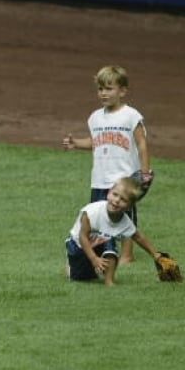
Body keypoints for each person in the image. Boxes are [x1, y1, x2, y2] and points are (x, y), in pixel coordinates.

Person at [62, 64, 152, 263]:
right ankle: (101, 250)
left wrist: (145, 172)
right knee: (98, 215)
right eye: (100, 89)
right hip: (100, 177)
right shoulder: (95, 118)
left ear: (122, 91)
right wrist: (76, 143)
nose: (103, 93)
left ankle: (127, 255)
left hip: (125, 176)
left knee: (125, 215)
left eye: (109, 88)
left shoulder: (131, 115)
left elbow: (142, 143)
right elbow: (96, 141)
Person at [65, 176, 165, 286]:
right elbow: (82, 236)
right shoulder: (92, 212)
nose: (116, 200)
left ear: (129, 206)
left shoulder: (125, 222)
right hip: (78, 245)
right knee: (81, 278)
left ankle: (109, 281)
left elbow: (138, 237)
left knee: (109, 242)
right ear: (108, 193)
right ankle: (72, 267)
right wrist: (94, 259)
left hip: (100, 242)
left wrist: (155, 255)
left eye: (123, 200)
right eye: (115, 194)